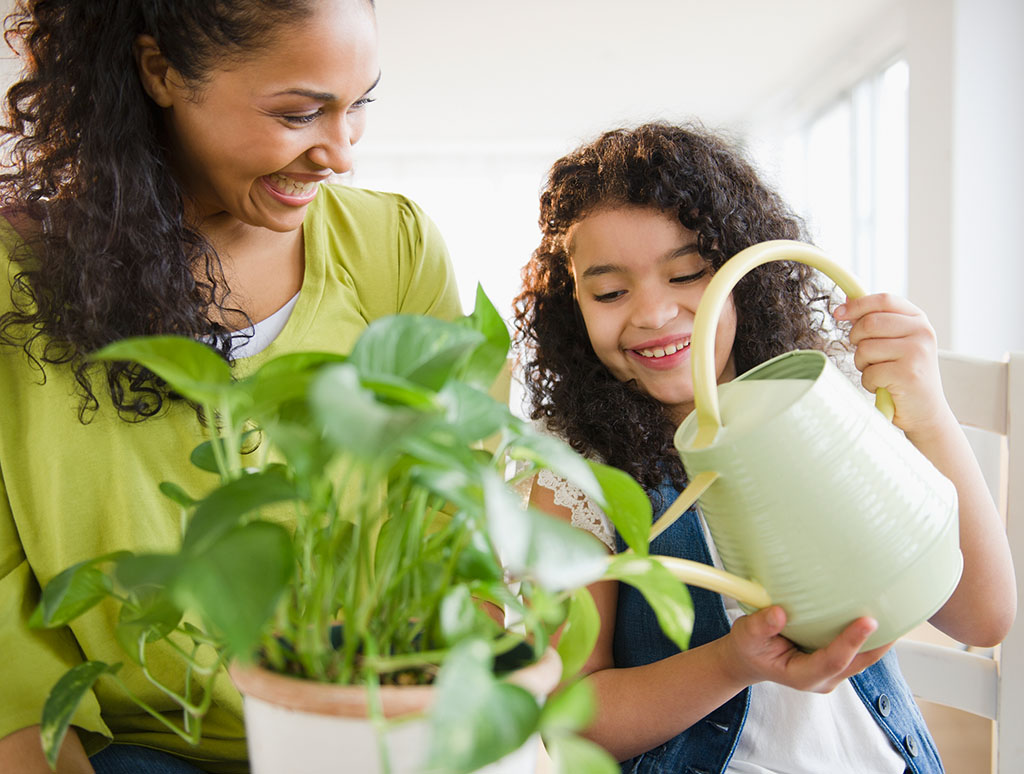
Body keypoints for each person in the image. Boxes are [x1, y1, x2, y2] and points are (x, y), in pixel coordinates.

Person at [0, 1, 461, 772]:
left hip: (364, 727)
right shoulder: (16, 275)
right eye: (299, 113)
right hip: (131, 745)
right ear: (160, 72)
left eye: (359, 108)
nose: (341, 154)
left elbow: (456, 500)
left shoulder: (394, 247)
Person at [513, 122, 1016, 774]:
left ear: (741, 275)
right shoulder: (574, 472)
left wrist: (928, 411)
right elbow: (573, 721)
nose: (654, 313)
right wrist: (730, 664)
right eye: (611, 292)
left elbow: (982, 616)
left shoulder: (815, 414)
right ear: (571, 306)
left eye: (688, 273)